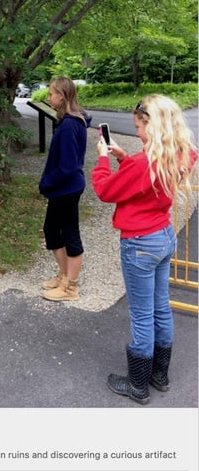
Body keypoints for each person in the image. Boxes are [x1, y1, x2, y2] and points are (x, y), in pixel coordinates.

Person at [91, 94, 197, 404]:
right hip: (164, 236)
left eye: (139, 126)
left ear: (152, 125)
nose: (137, 132)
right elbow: (147, 183)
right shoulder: (183, 153)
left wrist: (102, 158)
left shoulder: (143, 163)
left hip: (139, 243)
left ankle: (137, 385)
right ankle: (159, 375)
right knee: (161, 306)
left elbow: (105, 190)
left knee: (141, 315)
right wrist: (125, 158)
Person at [39, 76, 91, 301]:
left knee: (70, 235)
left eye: (51, 93)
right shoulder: (69, 121)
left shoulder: (70, 125)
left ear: (62, 95)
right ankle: (63, 276)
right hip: (63, 188)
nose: (49, 97)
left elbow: (68, 167)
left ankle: (71, 288)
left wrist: (46, 183)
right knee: (51, 230)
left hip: (66, 188)